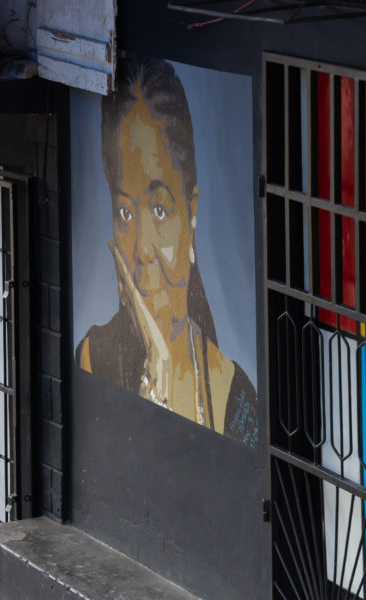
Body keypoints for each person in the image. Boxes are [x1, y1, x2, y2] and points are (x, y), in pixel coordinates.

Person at [75, 56, 259, 448]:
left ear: (191, 215)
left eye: (160, 210)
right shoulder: (93, 357)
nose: (141, 249)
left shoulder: (235, 399)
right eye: (124, 213)